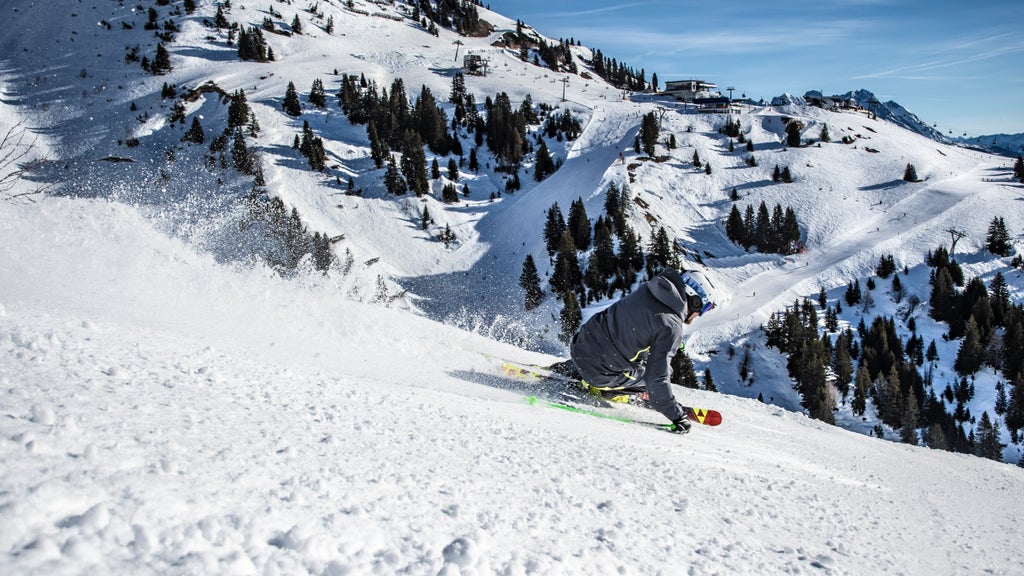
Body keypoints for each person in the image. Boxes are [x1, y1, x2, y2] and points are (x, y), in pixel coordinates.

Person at [553, 268, 714, 433]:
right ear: (694, 299)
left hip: (580, 345)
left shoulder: (649, 290)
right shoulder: (671, 325)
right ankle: (607, 391)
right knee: (664, 373)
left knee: (621, 351)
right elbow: (657, 377)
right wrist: (676, 415)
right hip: (598, 374)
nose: (700, 314)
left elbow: (628, 331)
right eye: (705, 307)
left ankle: (574, 368)